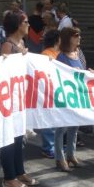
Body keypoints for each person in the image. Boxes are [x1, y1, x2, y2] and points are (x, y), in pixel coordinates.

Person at [0, 10, 39, 187]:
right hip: (8, 99)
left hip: (19, 97)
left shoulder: (21, 43)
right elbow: (1, 71)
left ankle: (19, 171)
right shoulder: (8, 45)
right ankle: (9, 177)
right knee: (9, 138)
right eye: (26, 22)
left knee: (19, 137)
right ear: (17, 25)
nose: (29, 25)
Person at [53, 27, 86, 172]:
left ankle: (71, 155)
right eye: (76, 35)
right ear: (68, 38)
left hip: (77, 94)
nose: (79, 38)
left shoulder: (78, 53)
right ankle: (60, 158)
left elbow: (83, 70)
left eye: (79, 35)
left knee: (75, 126)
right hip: (66, 95)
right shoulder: (61, 57)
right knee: (62, 128)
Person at [36, 29, 60, 158]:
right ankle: (48, 147)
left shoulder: (59, 53)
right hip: (48, 90)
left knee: (56, 119)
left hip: (58, 89)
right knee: (49, 120)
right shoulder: (46, 54)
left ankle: (55, 145)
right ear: (57, 40)